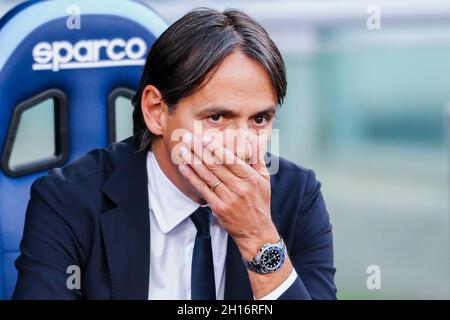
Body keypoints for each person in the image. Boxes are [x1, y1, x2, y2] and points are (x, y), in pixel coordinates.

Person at [12, 7, 336, 300]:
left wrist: (258, 238)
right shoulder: (68, 199)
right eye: (217, 118)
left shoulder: (296, 196)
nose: (242, 145)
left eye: (260, 119)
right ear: (156, 112)